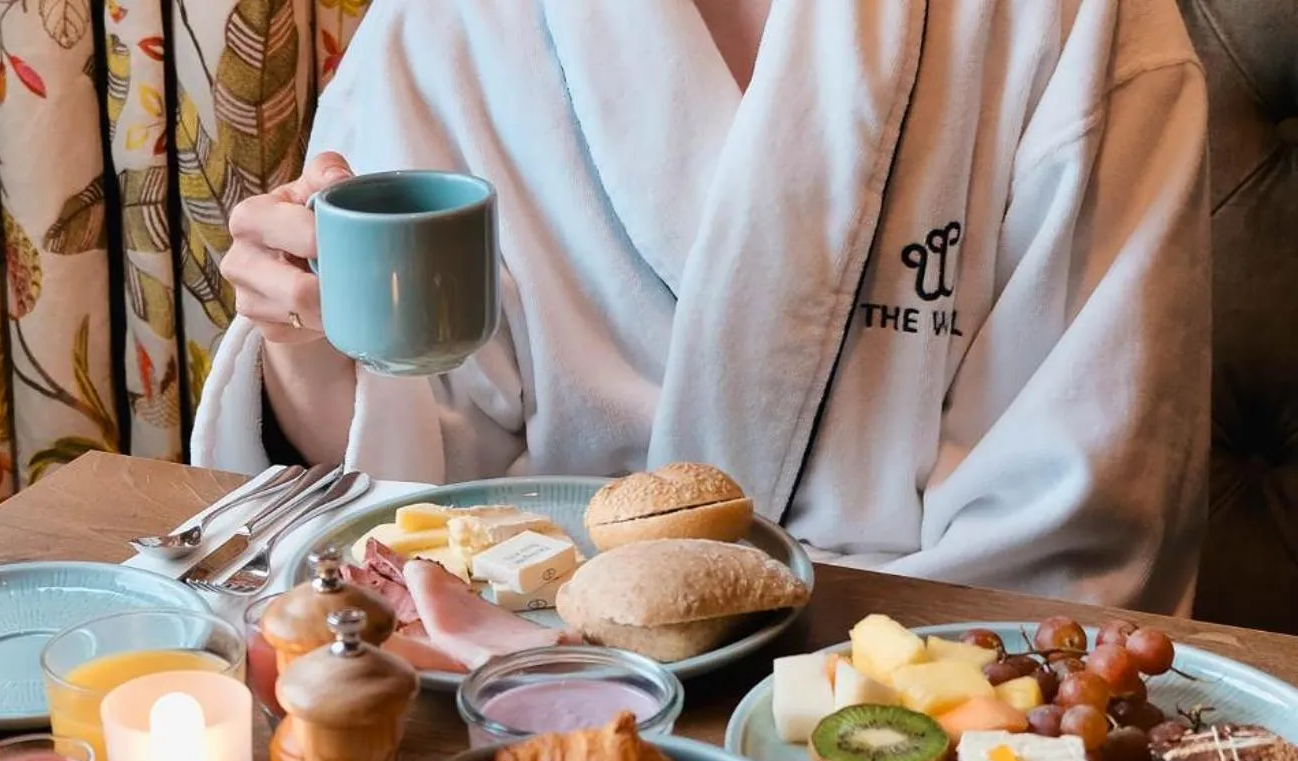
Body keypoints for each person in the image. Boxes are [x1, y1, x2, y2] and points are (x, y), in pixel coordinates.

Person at [189, 0, 1211, 614]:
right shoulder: (454, 24)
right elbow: (402, 491)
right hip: (508, 705)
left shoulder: (1080, 24)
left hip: (896, 723)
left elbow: (1066, 528)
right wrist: (308, 339)